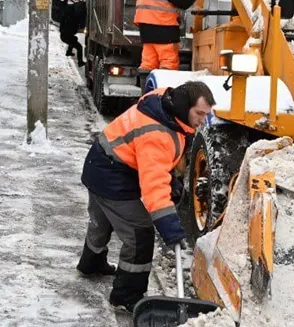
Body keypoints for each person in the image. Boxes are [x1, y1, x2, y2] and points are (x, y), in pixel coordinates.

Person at [76, 81, 215, 312]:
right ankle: (125, 297)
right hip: (112, 176)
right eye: (199, 113)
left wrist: (168, 177)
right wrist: (170, 228)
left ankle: (91, 264)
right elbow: (153, 188)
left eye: (206, 115)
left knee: (102, 221)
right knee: (139, 233)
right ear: (185, 106)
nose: (203, 120)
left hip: (102, 161)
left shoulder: (164, 102)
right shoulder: (158, 134)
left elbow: (150, 159)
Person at [134, 0, 198, 73]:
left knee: (148, 64)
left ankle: (147, 89)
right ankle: (164, 89)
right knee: (168, 64)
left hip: (146, 32)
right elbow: (183, 0)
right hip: (164, 32)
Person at [60, 0, 86, 67]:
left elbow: (63, 7)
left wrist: (65, 1)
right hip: (66, 36)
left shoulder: (66, 15)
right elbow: (80, 23)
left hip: (64, 36)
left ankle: (68, 52)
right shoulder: (72, 18)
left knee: (74, 39)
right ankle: (80, 62)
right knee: (79, 47)